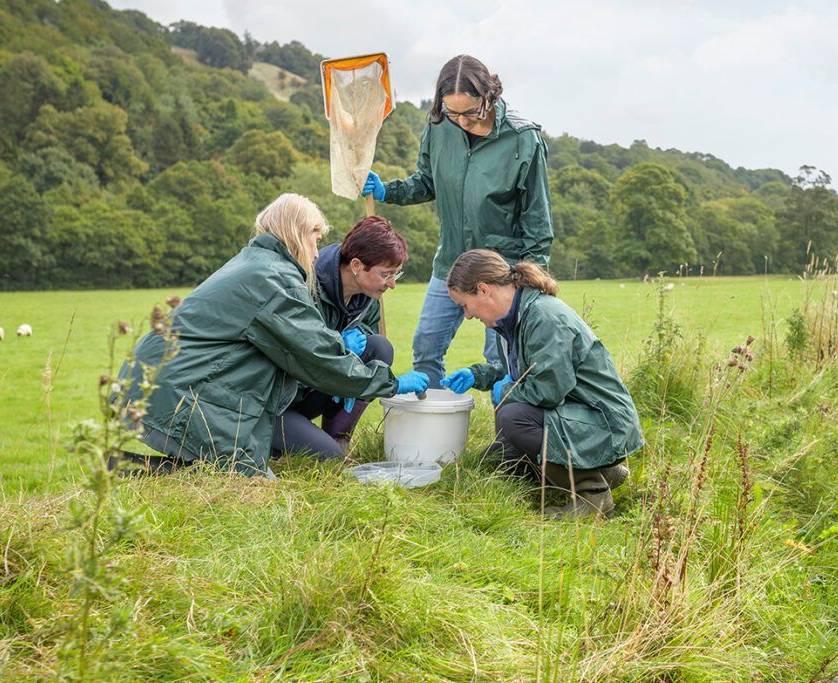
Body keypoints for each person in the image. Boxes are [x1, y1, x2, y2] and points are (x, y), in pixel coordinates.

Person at [117, 194, 429, 476]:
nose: (318, 252)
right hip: (181, 390)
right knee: (247, 479)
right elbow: (317, 354)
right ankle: (125, 469)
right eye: (315, 239)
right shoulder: (274, 280)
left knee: (248, 469)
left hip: (186, 382)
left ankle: (134, 466)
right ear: (297, 233)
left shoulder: (263, 265)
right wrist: (391, 383)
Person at [362, 54, 552, 388]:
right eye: (453, 112)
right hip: (451, 262)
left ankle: (508, 435)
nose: (461, 121)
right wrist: (387, 190)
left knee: (504, 363)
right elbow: (426, 182)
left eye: (469, 112)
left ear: (489, 97)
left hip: (502, 271)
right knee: (426, 346)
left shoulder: (523, 139)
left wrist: (528, 286)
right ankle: (434, 430)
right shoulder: (439, 125)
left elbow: (538, 224)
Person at [437, 249, 642, 518]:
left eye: (464, 305)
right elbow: (526, 370)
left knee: (513, 418)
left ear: (483, 290)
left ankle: (593, 494)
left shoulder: (544, 317)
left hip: (603, 424)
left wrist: (506, 391)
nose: (466, 315)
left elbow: (547, 390)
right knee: (494, 461)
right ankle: (606, 472)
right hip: (576, 417)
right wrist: (480, 375)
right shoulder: (514, 319)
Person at [273, 215, 408, 460]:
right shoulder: (305, 284)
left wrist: (356, 343)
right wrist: (336, 343)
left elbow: (369, 333)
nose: (392, 284)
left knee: (380, 348)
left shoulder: (367, 295)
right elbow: (297, 353)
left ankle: (338, 436)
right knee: (328, 457)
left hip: (319, 386)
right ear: (356, 265)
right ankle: (278, 442)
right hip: (282, 399)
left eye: (395, 275)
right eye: (386, 274)